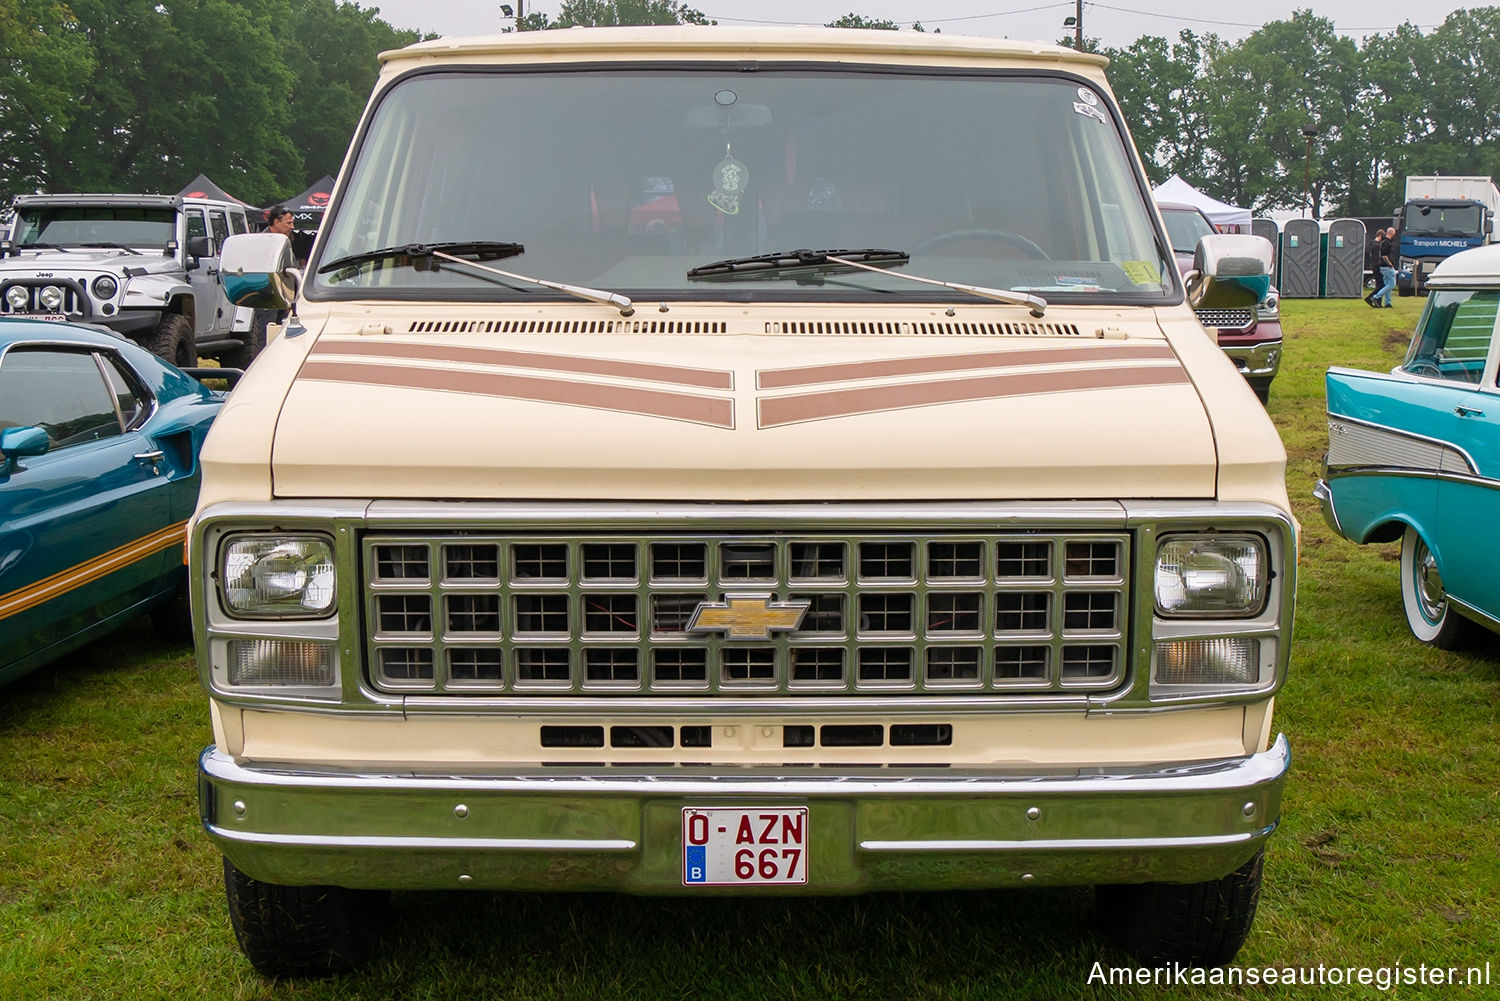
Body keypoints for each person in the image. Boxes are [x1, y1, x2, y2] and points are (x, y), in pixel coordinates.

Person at [1369, 226, 1397, 308]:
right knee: (1392, 284)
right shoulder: (1387, 243)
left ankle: (1388, 302)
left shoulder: (1382, 242)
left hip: (1382, 266)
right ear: (1392, 233)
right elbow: (1384, 256)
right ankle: (1376, 297)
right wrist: (1390, 264)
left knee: (1387, 284)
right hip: (1386, 266)